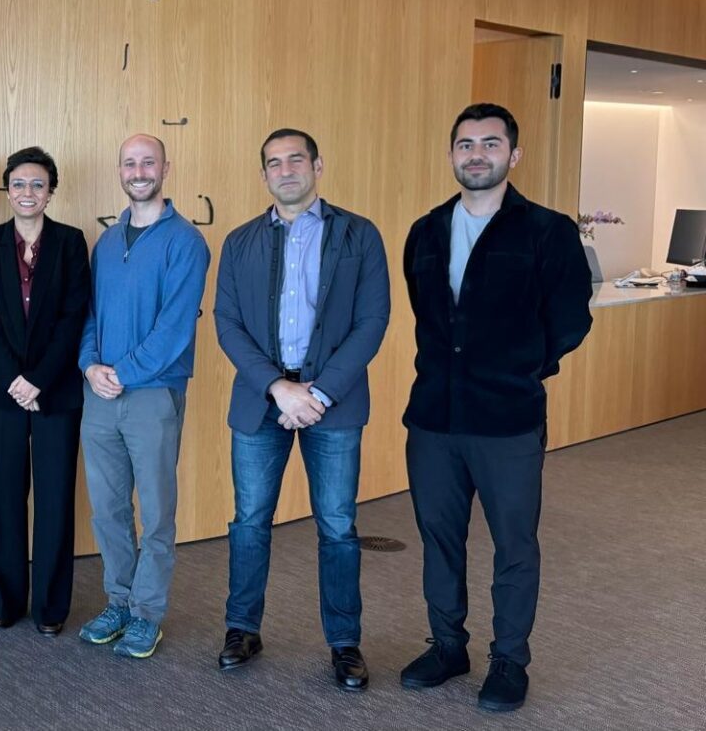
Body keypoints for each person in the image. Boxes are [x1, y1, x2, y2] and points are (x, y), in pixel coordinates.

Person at [399, 103, 593, 712]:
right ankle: (447, 647)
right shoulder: (425, 231)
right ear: (451, 154)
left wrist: (523, 366)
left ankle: (509, 659)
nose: (476, 154)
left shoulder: (547, 230)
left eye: (490, 143)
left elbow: (570, 318)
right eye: (465, 144)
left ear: (514, 154)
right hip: (434, 418)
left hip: (508, 418)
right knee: (439, 538)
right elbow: (425, 312)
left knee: (514, 543)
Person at [211, 129, 390, 690]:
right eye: (273, 162)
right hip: (261, 401)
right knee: (249, 522)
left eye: (295, 159)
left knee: (337, 525)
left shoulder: (360, 235)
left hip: (332, 404)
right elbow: (227, 324)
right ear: (263, 174)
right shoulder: (239, 241)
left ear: (317, 166)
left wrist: (318, 394)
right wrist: (277, 388)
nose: (285, 170)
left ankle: (345, 642)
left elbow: (372, 322)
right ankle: (242, 628)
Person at [76, 133, 210, 659]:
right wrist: (90, 365)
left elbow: (174, 329)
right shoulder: (107, 243)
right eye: (129, 163)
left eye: (148, 162)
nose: (138, 171)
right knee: (108, 510)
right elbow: (90, 315)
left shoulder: (186, 242)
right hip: (100, 395)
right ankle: (119, 601)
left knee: (155, 513)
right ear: (120, 171)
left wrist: (122, 372)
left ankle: (147, 613)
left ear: (165, 169)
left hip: (153, 394)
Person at [0, 146, 91, 637]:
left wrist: (38, 378)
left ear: (50, 191)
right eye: (19, 184)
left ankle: (50, 607)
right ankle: (4, 601)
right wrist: (14, 380)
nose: (27, 192)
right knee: (2, 498)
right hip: (3, 392)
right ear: (7, 190)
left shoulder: (71, 242)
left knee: (55, 498)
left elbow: (74, 316)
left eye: (37, 184)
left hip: (56, 391)